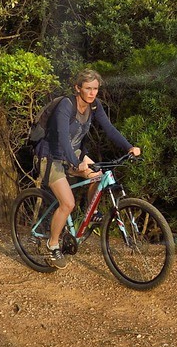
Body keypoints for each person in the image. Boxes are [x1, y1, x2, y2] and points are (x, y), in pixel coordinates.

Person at [32, 69, 140, 265]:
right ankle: (52, 246)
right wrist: (75, 163)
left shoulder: (95, 106)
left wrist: (129, 147)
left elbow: (109, 129)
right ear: (78, 88)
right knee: (68, 204)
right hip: (52, 157)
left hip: (74, 155)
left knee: (100, 175)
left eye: (95, 89)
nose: (92, 93)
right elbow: (63, 137)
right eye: (88, 88)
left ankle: (93, 214)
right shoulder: (66, 105)